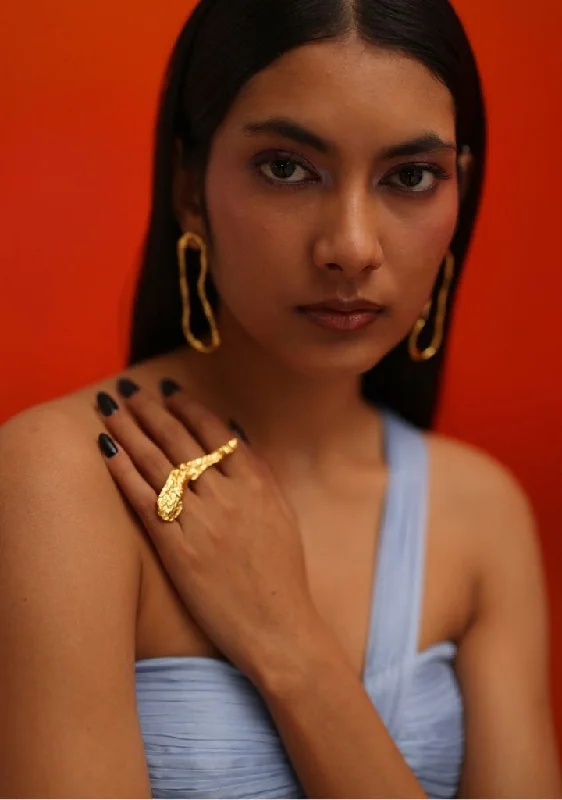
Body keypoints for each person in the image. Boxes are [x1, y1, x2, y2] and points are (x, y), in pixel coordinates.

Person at [0, 0, 560, 797]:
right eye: (288, 168)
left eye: (410, 177)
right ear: (190, 186)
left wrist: (287, 642)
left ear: (459, 192)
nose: (352, 247)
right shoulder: (62, 484)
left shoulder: (480, 515)